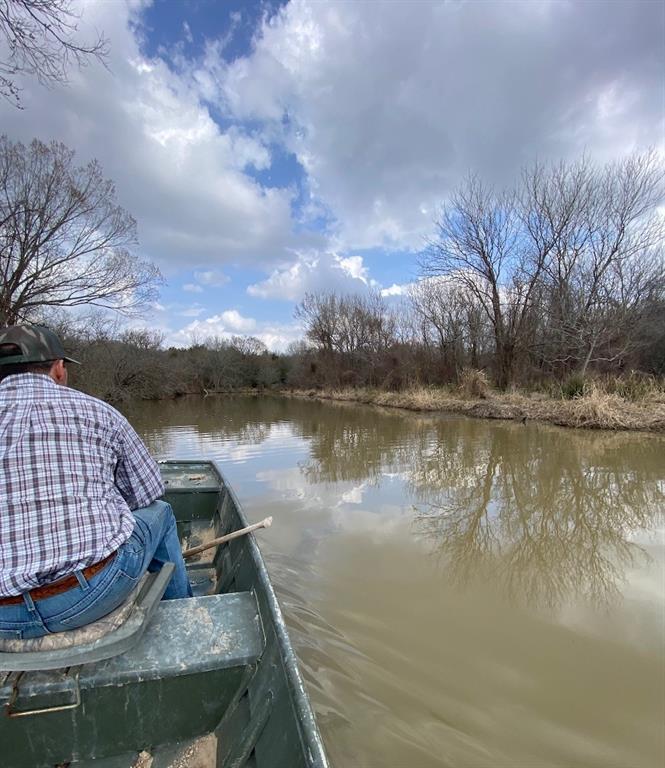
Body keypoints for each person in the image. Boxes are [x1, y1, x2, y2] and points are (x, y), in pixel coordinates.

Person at [0, 324, 191, 641]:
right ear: (59, 369)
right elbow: (148, 493)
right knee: (162, 513)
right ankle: (184, 618)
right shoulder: (98, 412)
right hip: (89, 595)